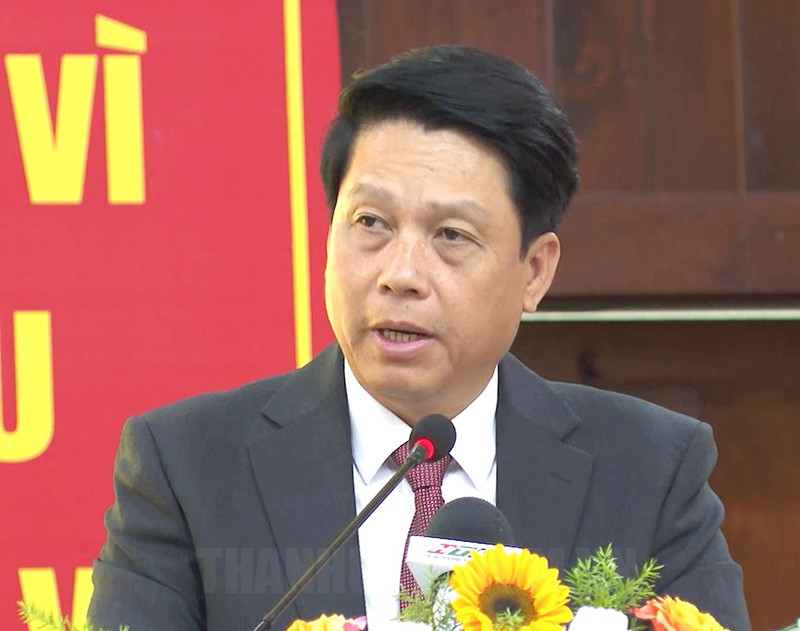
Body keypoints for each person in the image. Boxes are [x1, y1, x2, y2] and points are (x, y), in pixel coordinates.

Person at [88, 45, 750, 630]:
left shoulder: (650, 471)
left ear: (534, 271)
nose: (400, 274)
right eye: (371, 223)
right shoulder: (186, 470)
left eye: (451, 236)